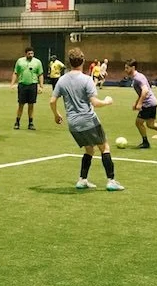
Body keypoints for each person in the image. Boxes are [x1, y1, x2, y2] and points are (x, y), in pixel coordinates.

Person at [51, 49, 124, 191]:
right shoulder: (86, 80)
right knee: (104, 147)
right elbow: (95, 103)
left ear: (69, 62)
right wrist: (107, 101)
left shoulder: (62, 80)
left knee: (89, 149)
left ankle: (82, 180)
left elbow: (52, 101)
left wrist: (56, 115)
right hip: (88, 120)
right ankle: (111, 181)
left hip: (73, 124)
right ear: (83, 61)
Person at [123, 60, 157, 149]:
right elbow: (141, 92)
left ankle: (145, 143)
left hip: (148, 104)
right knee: (150, 124)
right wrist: (136, 102)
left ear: (133, 68)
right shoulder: (138, 76)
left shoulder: (138, 78)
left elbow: (145, 91)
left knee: (138, 123)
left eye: (127, 68)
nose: (125, 70)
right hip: (152, 102)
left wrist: (140, 103)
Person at [11, 46, 44, 130]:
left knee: (31, 105)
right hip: (22, 85)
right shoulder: (20, 61)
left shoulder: (37, 62)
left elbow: (40, 74)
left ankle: (31, 123)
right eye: (29, 53)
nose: (31, 55)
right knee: (21, 104)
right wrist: (12, 84)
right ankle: (17, 122)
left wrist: (41, 86)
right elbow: (15, 73)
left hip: (33, 85)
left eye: (32, 53)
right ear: (25, 54)